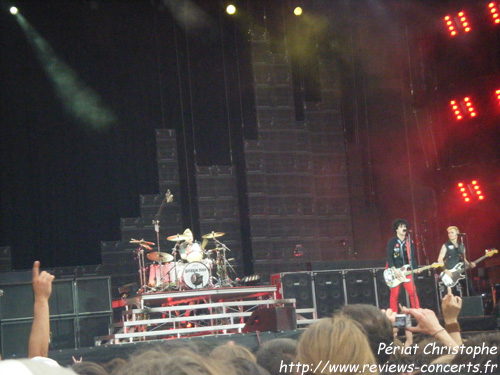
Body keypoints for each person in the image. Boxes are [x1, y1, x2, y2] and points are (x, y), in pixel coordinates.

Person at [386, 219, 420, 312]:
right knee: (394, 294)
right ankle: (393, 314)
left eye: (405, 227)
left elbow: (412, 257)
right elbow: (389, 256)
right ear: (396, 229)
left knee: (412, 292)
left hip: (406, 270)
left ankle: (417, 313)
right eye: (401, 227)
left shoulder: (409, 241)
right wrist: (394, 270)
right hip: (395, 270)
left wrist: (415, 268)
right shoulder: (392, 242)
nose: (404, 228)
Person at [437, 226, 476, 295]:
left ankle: (472, 302)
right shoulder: (445, 245)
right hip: (450, 272)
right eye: (449, 233)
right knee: (452, 293)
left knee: (469, 286)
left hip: (460, 271)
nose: (450, 234)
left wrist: (470, 264)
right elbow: (440, 260)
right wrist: (446, 271)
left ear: (457, 234)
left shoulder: (462, 245)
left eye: (452, 232)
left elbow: (464, 259)